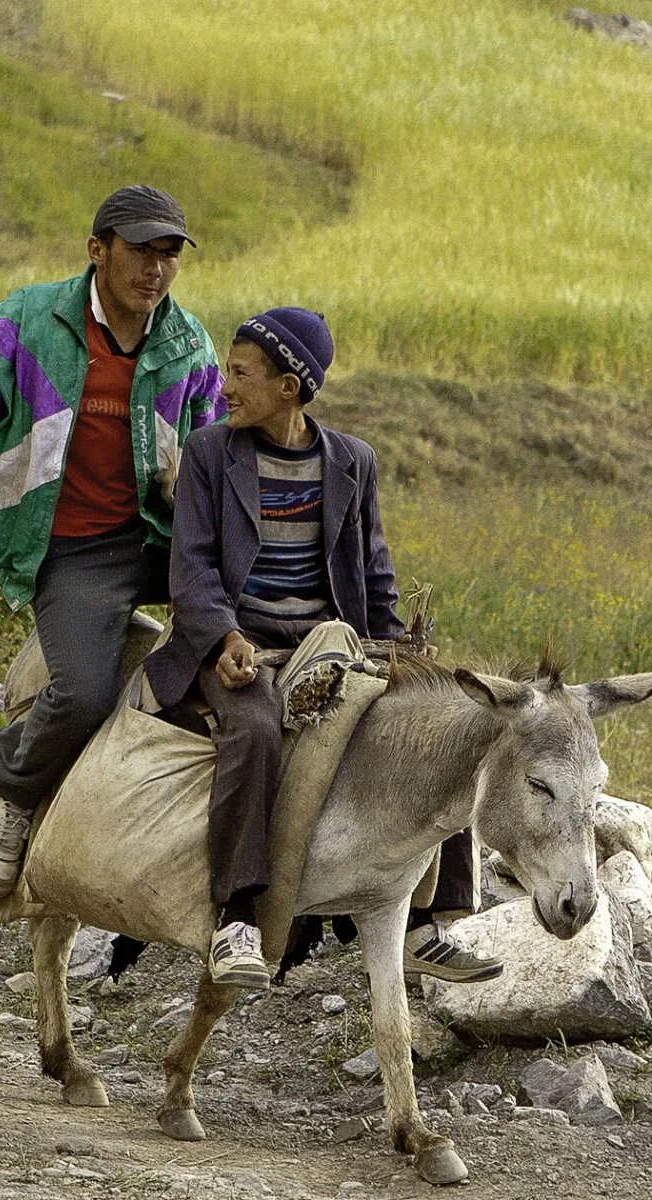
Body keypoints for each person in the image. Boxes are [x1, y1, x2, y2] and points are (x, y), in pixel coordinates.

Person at [145, 307, 503, 990]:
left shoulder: (351, 462)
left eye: (241, 373)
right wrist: (223, 637)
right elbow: (189, 568)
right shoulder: (210, 455)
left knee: (449, 712)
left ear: (289, 386)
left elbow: (372, 568)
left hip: (330, 641)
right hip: (238, 639)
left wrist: (400, 647)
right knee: (252, 728)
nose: (224, 385)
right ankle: (239, 918)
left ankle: (429, 922)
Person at [0, 185, 225, 895]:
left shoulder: (188, 343)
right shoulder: (28, 322)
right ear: (97, 249)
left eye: (169, 255)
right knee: (80, 694)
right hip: (79, 547)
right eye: (141, 251)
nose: (156, 270)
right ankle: (13, 786)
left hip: (169, 540)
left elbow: (221, 443)